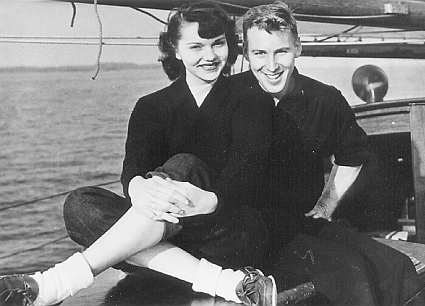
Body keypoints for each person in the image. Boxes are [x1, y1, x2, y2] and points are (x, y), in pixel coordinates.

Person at [0, 3, 277, 306]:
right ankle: (224, 282)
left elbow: (249, 175)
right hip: (166, 239)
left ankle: (58, 282)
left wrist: (210, 201)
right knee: (79, 206)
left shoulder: (252, 101)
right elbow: (133, 171)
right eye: (196, 46)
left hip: (227, 234)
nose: (209, 56)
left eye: (218, 44)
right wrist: (138, 186)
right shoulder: (151, 107)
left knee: (184, 165)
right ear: (175, 49)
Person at [232, 1, 421, 305]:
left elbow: (353, 153)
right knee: (350, 272)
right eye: (259, 53)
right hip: (248, 234)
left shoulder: (324, 99)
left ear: (298, 49)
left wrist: (327, 203)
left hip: (304, 223)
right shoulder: (227, 98)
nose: (271, 65)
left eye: (281, 51)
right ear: (245, 54)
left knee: (399, 268)